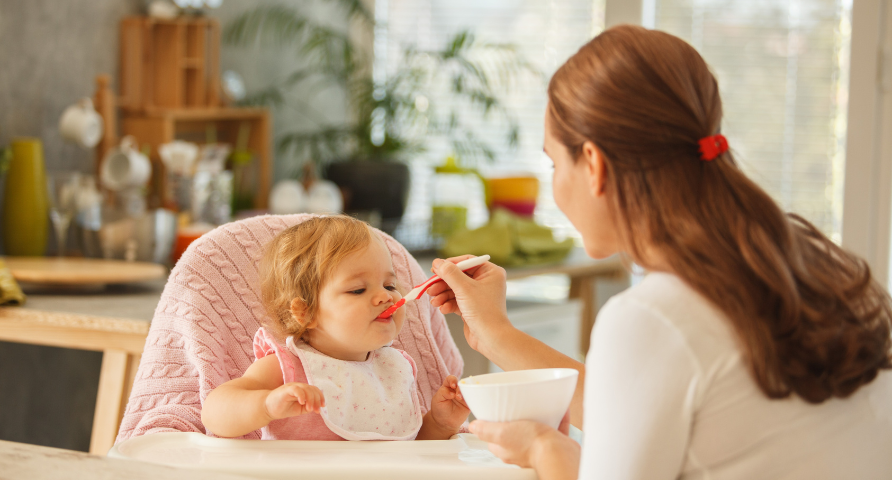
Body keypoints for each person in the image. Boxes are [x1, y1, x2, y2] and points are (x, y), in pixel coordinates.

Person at [426, 25, 892, 480]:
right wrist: (494, 333)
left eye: (553, 162)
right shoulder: (817, 269)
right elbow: (653, 400)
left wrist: (547, 449)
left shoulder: (653, 318)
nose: (553, 183)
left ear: (593, 164)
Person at [202, 215, 469, 441]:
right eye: (358, 290)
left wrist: (439, 423)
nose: (387, 297)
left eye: (390, 285)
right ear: (306, 312)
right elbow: (213, 413)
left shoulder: (395, 368)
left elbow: (409, 449)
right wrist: (265, 405)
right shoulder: (289, 368)